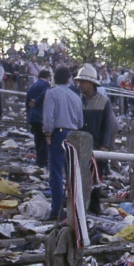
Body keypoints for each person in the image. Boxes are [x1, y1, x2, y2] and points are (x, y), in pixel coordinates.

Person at [42, 65, 84, 220]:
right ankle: (75, 209)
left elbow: (48, 117)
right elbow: (80, 121)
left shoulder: (51, 93)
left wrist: (47, 133)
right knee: (72, 173)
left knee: (57, 174)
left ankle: (57, 210)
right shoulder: (75, 96)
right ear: (68, 79)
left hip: (58, 133)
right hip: (73, 134)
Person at [76, 64, 118, 173]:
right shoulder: (77, 100)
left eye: (82, 82)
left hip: (97, 145)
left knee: (96, 178)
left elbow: (107, 125)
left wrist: (104, 145)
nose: (79, 85)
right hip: (82, 146)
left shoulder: (103, 101)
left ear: (90, 83)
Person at [26, 68, 51, 167]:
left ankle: (39, 159)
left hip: (33, 116)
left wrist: (29, 113)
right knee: (45, 140)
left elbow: (27, 101)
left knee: (37, 139)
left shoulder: (32, 86)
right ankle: (41, 161)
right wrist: (36, 101)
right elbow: (45, 94)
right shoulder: (46, 86)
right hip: (42, 116)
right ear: (47, 77)